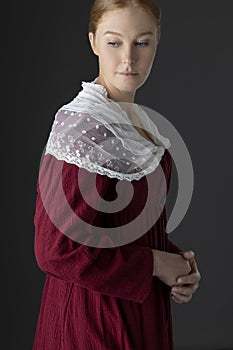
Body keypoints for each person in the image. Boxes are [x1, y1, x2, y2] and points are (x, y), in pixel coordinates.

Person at [32, 1, 201, 349]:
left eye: (142, 42)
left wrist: (177, 265)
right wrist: (155, 263)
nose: (128, 58)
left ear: (157, 42)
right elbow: (55, 250)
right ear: (93, 41)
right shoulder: (82, 127)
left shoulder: (139, 122)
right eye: (114, 42)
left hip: (137, 311)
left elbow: (123, 225)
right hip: (91, 321)